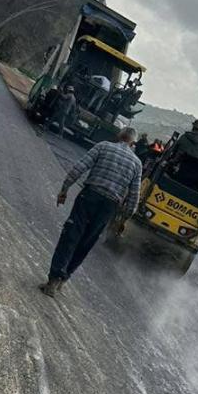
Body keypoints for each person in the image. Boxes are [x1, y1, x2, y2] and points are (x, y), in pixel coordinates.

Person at [40, 127, 141, 296]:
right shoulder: (137, 164)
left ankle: (53, 280)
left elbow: (78, 168)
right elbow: (134, 197)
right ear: (133, 143)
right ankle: (63, 279)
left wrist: (64, 189)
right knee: (86, 242)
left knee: (71, 235)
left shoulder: (103, 146)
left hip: (89, 197)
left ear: (119, 136)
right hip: (109, 207)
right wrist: (123, 220)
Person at [169, 118, 198, 185]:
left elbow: (171, 152)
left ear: (193, 127)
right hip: (194, 183)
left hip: (176, 175)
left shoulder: (184, 137)